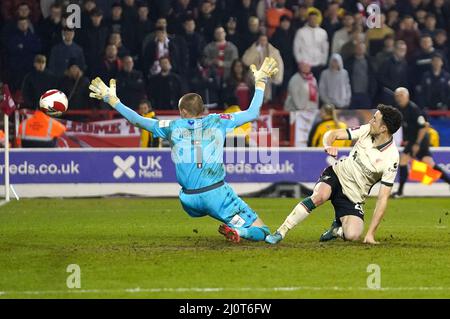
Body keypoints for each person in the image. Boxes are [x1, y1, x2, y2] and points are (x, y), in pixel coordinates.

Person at [88, 57, 279, 243]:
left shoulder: (172, 126)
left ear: (184, 112)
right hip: (216, 196)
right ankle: (238, 229)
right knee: (262, 231)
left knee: (213, 206)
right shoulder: (218, 120)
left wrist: (112, 100)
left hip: (188, 200)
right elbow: (253, 112)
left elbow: (137, 120)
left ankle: (235, 225)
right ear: (202, 110)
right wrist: (260, 81)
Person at [266, 104, 403, 245]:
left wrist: (370, 234)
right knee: (319, 196)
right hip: (337, 175)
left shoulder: (391, 158)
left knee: (353, 235)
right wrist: (328, 145)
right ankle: (281, 231)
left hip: (354, 196)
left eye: (374, 119)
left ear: (383, 128)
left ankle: (336, 229)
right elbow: (333, 134)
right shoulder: (366, 130)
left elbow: (383, 199)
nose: (370, 121)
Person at [392, 87, 450, 198]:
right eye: (397, 96)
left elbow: (423, 127)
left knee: (403, 161)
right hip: (413, 140)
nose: (399, 98)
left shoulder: (413, 109)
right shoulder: (399, 109)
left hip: (419, 140)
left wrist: (417, 144)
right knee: (431, 165)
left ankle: (400, 192)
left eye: (401, 96)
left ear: (407, 96)